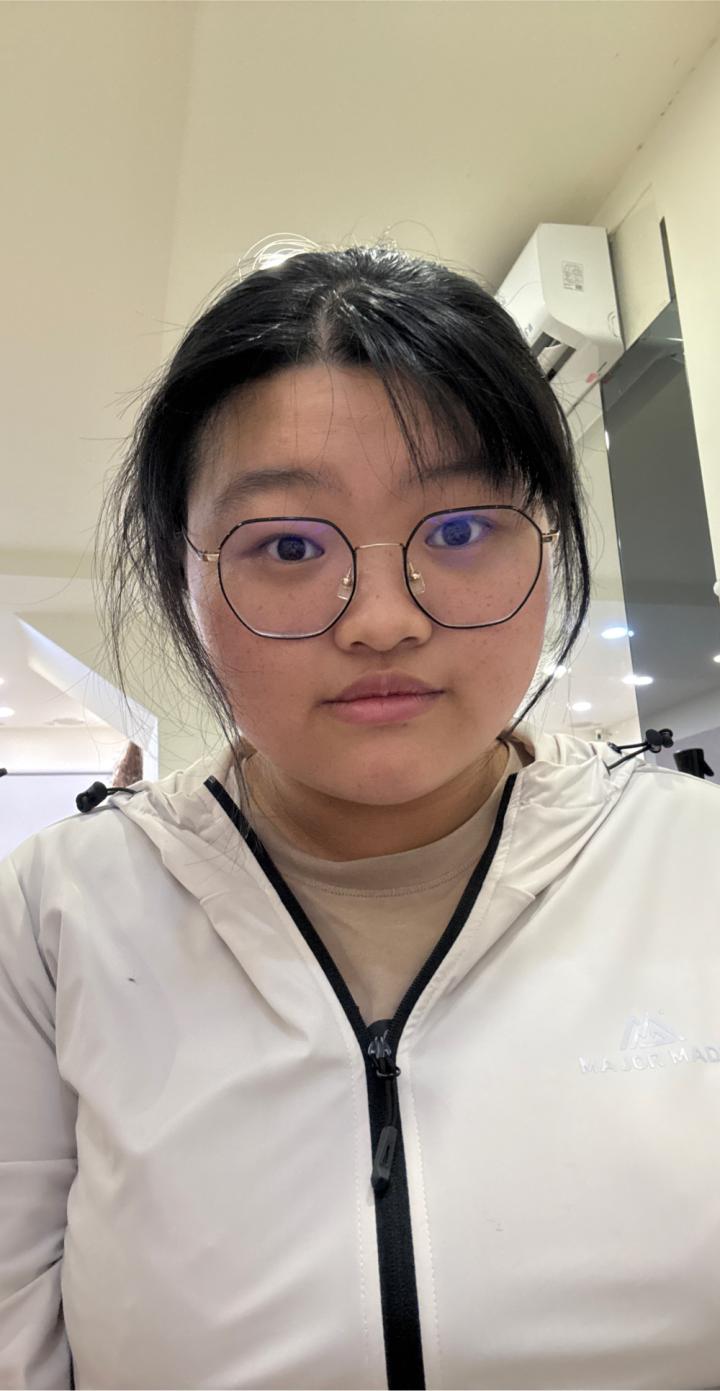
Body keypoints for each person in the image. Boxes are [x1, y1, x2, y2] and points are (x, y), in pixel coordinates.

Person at [1, 241, 719, 1391]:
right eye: (288, 545)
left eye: (461, 529)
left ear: (547, 540)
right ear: (183, 573)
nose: (383, 619)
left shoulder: (695, 866)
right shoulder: (52, 917)